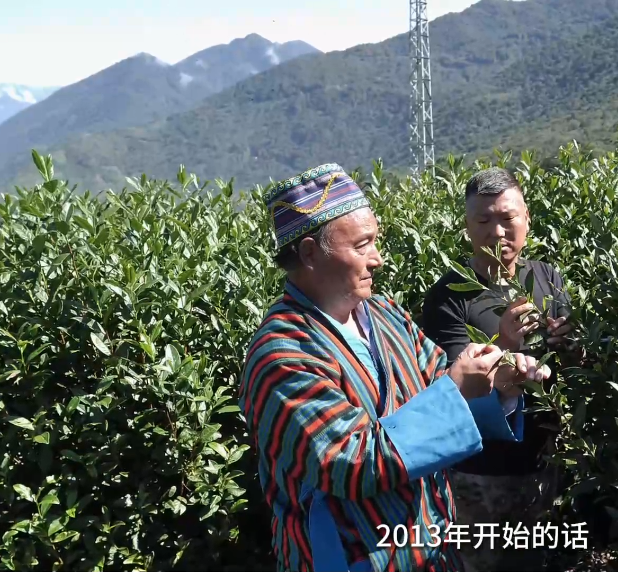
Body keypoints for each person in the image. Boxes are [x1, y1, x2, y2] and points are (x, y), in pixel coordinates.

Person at [239, 162, 551, 572]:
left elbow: (441, 386)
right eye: (362, 245)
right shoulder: (282, 355)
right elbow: (350, 461)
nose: (378, 259)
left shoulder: (386, 316)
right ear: (310, 253)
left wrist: (498, 385)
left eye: (376, 241)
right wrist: (457, 391)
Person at [420, 167, 584, 572]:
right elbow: (456, 387)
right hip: (481, 474)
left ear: (527, 218)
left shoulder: (546, 277)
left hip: (546, 462)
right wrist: (505, 345)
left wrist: (571, 345)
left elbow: (574, 366)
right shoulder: (449, 296)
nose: (497, 232)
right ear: (467, 227)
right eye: (483, 220)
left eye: (508, 218)